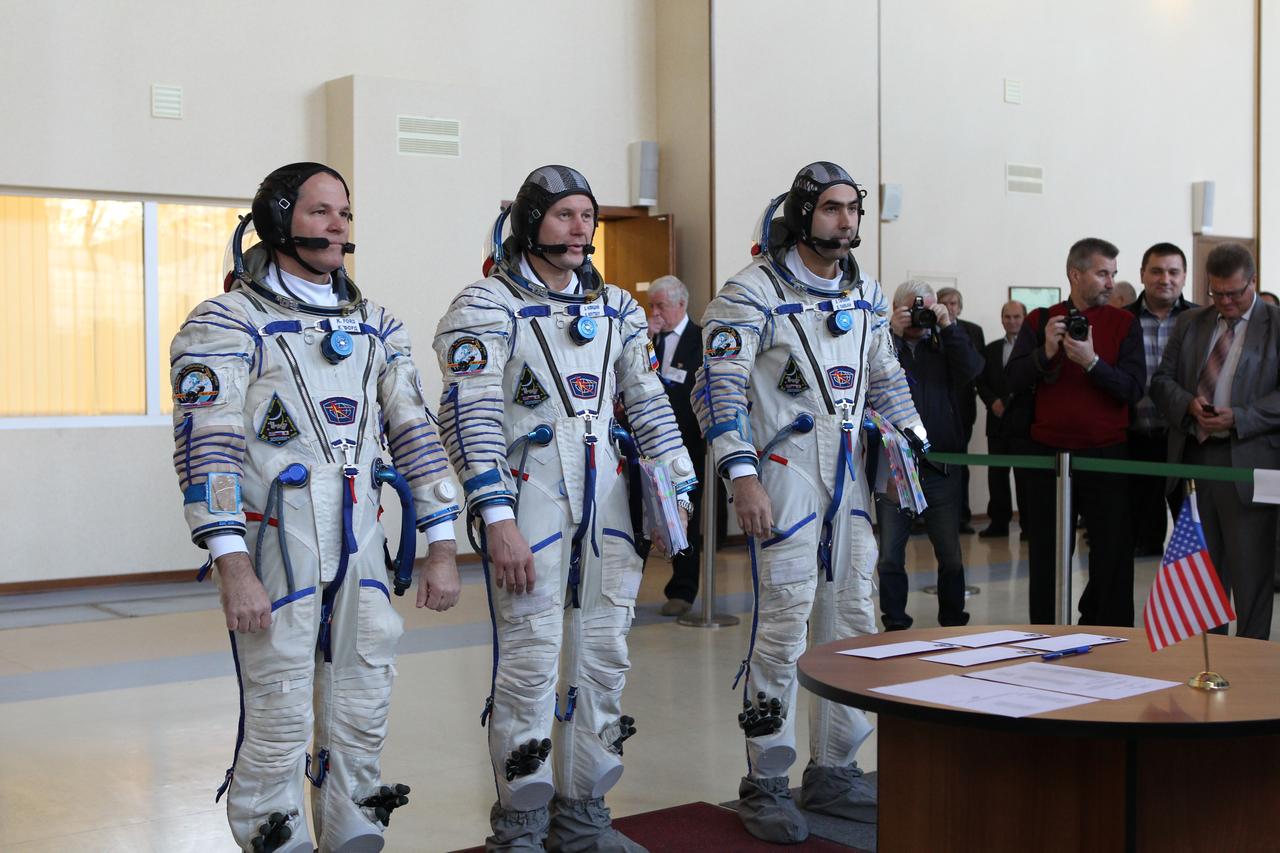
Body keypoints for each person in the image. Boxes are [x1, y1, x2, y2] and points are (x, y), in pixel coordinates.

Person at [169, 163, 462, 852]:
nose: (338, 226)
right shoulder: (228, 323)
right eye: (321, 211)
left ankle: (354, 827)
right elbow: (206, 452)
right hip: (277, 547)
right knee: (277, 710)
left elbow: (416, 434)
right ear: (277, 220)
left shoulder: (376, 326)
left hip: (361, 542)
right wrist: (230, 565)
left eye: (345, 214)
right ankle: (275, 837)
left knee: (363, 701)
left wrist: (444, 543)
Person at [433, 165, 695, 851]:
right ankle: (519, 819)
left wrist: (675, 492)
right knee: (529, 660)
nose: (581, 228)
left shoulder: (616, 311)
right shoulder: (485, 306)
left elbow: (647, 402)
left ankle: (584, 809)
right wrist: (498, 517)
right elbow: (470, 415)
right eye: (564, 216)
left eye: (587, 216)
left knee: (603, 658)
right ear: (530, 222)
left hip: (607, 503)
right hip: (531, 503)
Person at [695, 162, 923, 843]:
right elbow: (718, 391)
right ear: (801, 214)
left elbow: (885, 376)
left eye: (853, 208)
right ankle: (766, 778)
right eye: (831, 208)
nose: (846, 220)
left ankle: (836, 766)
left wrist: (912, 444)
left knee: (854, 616)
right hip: (785, 470)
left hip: (849, 473)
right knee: (783, 621)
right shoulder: (749, 294)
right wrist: (743, 477)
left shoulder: (864, 297)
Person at [1006, 238, 1144, 626]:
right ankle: (1047, 635)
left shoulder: (1124, 324)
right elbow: (1013, 380)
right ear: (1075, 274)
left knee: (1113, 556)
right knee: (1048, 555)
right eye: (1102, 273)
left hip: (1108, 453)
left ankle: (1109, 635)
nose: (1110, 283)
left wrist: (1092, 363)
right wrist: (1045, 353)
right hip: (1049, 457)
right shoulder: (1040, 321)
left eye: (1113, 274)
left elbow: (1133, 389)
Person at [1150, 242, 1280, 640]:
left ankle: (1250, 661)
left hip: (1250, 464)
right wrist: (1189, 404)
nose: (1225, 302)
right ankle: (1210, 660)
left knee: (1251, 572)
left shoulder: (1275, 324)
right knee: (1204, 574)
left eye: (1234, 293)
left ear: (1252, 282)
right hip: (1197, 459)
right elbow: (1161, 382)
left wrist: (1240, 418)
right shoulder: (1192, 322)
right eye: (1216, 293)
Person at [877, 281, 984, 629]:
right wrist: (890, 333)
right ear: (896, 307)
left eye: (927, 308)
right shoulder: (881, 343)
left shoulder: (944, 347)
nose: (921, 316)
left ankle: (953, 619)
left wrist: (949, 327)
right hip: (893, 466)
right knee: (890, 554)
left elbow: (972, 371)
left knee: (950, 554)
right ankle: (895, 620)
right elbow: (866, 375)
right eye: (913, 308)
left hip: (940, 465)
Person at [1124, 243, 1196, 557]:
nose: (1164, 278)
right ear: (1142, 274)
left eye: (1173, 271)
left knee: (1190, 537)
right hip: (1135, 437)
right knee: (1142, 539)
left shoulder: (1200, 319)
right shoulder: (1121, 320)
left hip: (1185, 440)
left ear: (1183, 276)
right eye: (1156, 271)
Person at [647, 275, 707, 617]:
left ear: (681, 305)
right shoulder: (647, 340)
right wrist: (648, 339)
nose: (655, 312)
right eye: (651, 305)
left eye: (661, 305)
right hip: (648, 443)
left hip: (687, 443)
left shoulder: (700, 340)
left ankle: (683, 589)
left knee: (686, 515)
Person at [975, 301, 1032, 539]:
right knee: (997, 476)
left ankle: (1028, 526)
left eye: (1017, 317)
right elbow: (981, 381)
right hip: (996, 423)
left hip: (1023, 424)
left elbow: (1032, 381)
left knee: (1025, 478)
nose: (1012, 321)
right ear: (1002, 320)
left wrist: (1008, 402)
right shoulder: (991, 349)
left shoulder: (1033, 349)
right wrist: (992, 402)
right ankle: (998, 523)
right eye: (1007, 317)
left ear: (1024, 318)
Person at [936, 287, 984, 533]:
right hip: (933, 409)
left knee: (960, 467)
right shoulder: (926, 327)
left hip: (963, 409)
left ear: (960, 306)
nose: (950, 307)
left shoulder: (973, 331)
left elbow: (978, 369)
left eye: (954, 303)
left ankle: (962, 516)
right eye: (944, 303)